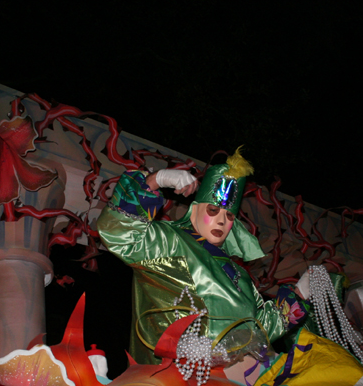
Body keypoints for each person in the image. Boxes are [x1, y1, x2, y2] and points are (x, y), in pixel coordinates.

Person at [97, 148, 309, 365]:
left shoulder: (239, 276)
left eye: (228, 215)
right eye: (213, 210)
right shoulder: (170, 241)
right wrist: (154, 181)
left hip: (231, 383)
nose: (221, 221)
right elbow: (119, 232)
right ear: (195, 210)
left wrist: (299, 295)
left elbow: (259, 329)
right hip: (172, 377)